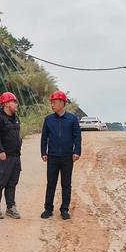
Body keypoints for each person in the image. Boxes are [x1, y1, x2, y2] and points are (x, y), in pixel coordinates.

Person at [40, 90, 82, 220]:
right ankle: (48, 209)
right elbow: (44, 138)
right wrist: (43, 152)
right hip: (52, 156)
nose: (52, 105)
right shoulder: (48, 120)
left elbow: (77, 137)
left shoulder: (72, 119)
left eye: (55, 102)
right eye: (51, 103)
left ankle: (64, 209)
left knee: (66, 184)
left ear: (63, 103)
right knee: (51, 183)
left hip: (67, 157)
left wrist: (77, 152)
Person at [0, 92, 22, 219]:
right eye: (14, 102)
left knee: (12, 182)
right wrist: (0, 151)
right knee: (0, 182)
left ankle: (10, 207)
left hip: (15, 156)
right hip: (3, 156)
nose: (16, 105)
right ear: (7, 104)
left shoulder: (15, 117)